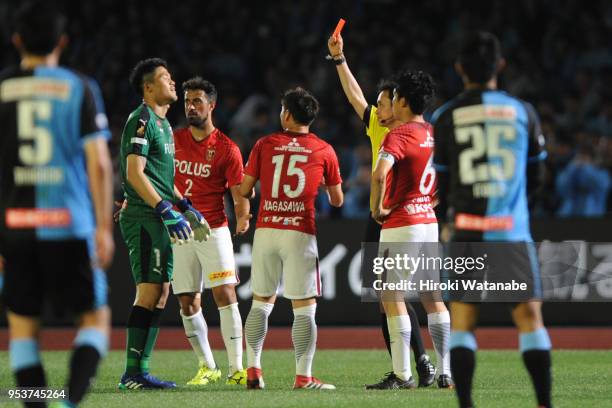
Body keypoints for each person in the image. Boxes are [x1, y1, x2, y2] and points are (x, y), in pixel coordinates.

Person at [0, 2, 113, 406]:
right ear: (62, 42)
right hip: (70, 224)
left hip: (16, 226)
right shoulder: (79, 87)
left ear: (16, 41)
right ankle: (68, 401)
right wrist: (103, 227)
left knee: (23, 330)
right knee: (95, 319)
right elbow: (99, 164)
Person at [431, 31, 551, 408]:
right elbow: (538, 177)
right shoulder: (523, 112)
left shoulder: (446, 116)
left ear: (459, 69)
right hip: (511, 231)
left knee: (464, 320)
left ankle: (466, 405)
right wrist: (513, 205)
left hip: (467, 229)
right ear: (500, 65)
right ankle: (544, 403)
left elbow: (444, 181)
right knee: (530, 319)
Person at [327, 33, 436, 387]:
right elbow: (355, 97)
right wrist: (340, 60)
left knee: (400, 294)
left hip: (398, 215)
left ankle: (417, 365)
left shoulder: (408, 133)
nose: (376, 108)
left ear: (398, 103)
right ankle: (414, 367)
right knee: (388, 296)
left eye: (383, 102)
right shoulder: (384, 125)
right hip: (391, 218)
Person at [240, 87, 343, 390]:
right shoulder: (324, 150)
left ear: (286, 113)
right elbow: (337, 200)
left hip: (267, 229)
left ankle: (254, 371)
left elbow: (244, 190)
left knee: (261, 302)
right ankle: (303, 376)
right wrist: (322, 183)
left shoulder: (265, 144)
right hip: (299, 232)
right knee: (304, 306)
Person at [117, 58, 209, 390]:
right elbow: (134, 173)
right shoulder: (141, 120)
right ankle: (132, 373)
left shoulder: (164, 124)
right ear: (148, 87)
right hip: (144, 217)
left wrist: (183, 205)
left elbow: (159, 176)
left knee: (161, 293)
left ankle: (140, 369)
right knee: (149, 292)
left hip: (158, 215)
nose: (173, 83)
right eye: (165, 78)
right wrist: (164, 209)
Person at [367, 69, 453, 390]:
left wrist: (378, 208)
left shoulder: (398, 135)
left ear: (401, 101)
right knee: (433, 296)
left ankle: (402, 374)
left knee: (391, 295)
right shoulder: (433, 132)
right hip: (429, 223)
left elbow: (379, 174)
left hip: (401, 223)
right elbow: (448, 175)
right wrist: (434, 201)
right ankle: (446, 371)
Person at [172, 77, 250, 385]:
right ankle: (207, 366)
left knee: (225, 293)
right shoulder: (174, 140)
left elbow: (238, 191)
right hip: (178, 229)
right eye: (188, 101)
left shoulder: (227, 148)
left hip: (212, 229)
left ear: (211, 106)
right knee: (187, 300)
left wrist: (243, 217)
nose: (191, 106)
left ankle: (236, 369)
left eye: (197, 102)